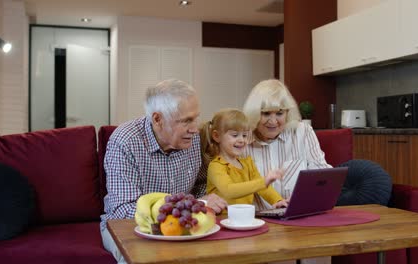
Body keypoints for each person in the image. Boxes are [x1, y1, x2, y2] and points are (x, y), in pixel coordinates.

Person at [100, 79, 227, 263]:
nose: (194, 128)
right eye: (186, 121)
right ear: (158, 119)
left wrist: (203, 202)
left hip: (180, 223)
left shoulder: (190, 139)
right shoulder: (125, 141)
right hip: (129, 226)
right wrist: (186, 208)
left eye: (196, 118)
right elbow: (123, 208)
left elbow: (201, 183)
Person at [243, 79, 332, 264]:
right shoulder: (241, 140)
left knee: (319, 251)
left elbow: (323, 173)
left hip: (304, 221)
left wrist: (305, 198)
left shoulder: (303, 132)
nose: (273, 121)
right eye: (265, 113)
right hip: (260, 225)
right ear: (254, 114)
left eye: (279, 113)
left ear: (288, 112)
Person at [200, 108, 288, 208]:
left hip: (244, 218)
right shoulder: (216, 166)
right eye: (235, 135)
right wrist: (263, 182)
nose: (242, 140)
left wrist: (277, 200)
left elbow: (263, 188)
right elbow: (229, 190)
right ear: (216, 136)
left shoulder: (248, 163)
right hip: (221, 219)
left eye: (245, 135)